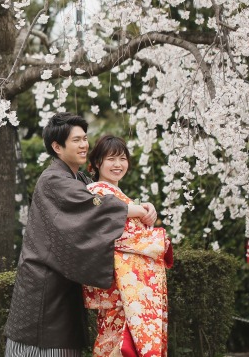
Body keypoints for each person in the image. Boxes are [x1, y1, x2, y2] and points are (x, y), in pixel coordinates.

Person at [4, 113, 157, 357]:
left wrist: (141, 207)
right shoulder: (53, 179)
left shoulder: (79, 178)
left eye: (85, 138)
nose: (84, 145)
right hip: (44, 285)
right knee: (43, 347)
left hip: (62, 281)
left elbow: (103, 195)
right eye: (76, 140)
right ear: (57, 147)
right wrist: (136, 210)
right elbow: (92, 205)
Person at [82, 135, 173, 357]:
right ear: (97, 163)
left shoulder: (118, 195)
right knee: (118, 341)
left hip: (128, 285)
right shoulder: (95, 191)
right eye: (111, 159)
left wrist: (144, 210)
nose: (118, 164)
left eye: (122, 159)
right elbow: (118, 234)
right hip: (120, 284)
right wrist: (150, 228)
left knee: (118, 339)